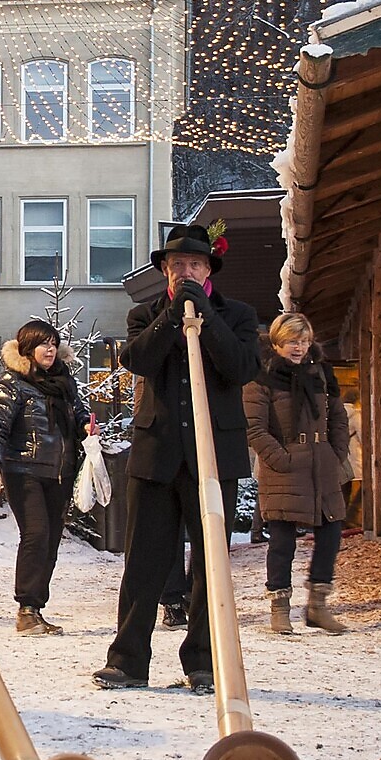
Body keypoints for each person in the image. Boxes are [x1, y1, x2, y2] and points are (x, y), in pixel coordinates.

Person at [94, 223, 261, 691]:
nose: (184, 272)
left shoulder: (239, 315)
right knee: (144, 563)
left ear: (208, 269)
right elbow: (138, 359)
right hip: (156, 456)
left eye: (193, 265)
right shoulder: (144, 314)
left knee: (211, 565)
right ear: (164, 272)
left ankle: (204, 662)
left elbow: (243, 366)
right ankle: (128, 660)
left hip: (214, 458)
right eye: (175, 266)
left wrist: (205, 314)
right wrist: (173, 315)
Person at [0, 320, 94, 637]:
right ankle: (26, 608)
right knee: (37, 534)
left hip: (60, 471)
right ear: (28, 349)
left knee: (51, 540)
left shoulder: (64, 381)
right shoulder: (12, 382)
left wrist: (86, 424)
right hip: (24, 469)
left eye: (54, 343)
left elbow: (78, 411)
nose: (50, 349)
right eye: (43, 344)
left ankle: (36, 609)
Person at [245, 312, 350, 635]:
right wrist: (282, 458)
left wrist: (336, 453)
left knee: (331, 534)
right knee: (282, 540)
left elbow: (337, 415)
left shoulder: (320, 373)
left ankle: (318, 605)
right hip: (285, 467)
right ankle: (280, 607)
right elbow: (255, 428)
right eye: (292, 341)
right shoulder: (261, 378)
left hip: (322, 464)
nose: (299, 347)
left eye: (304, 341)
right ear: (277, 342)